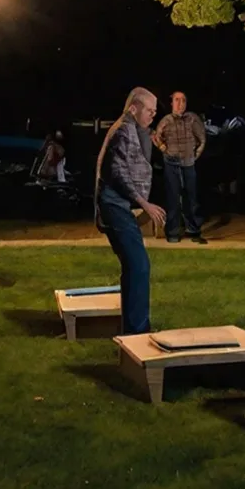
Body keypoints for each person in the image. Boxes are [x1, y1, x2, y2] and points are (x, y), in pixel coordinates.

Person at [94, 87, 166, 335]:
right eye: (149, 110)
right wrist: (144, 203)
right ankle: (137, 332)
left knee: (135, 265)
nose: (153, 115)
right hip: (113, 205)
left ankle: (134, 329)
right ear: (134, 108)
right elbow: (117, 173)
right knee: (139, 265)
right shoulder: (123, 130)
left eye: (155, 111)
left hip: (118, 205)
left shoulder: (131, 129)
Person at [153, 91, 207, 244]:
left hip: (189, 164)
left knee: (191, 197)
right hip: (171, 164)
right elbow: (156, 137)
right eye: (177, 100)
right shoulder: (166, 121)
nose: (180, 103)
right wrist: (163, 148)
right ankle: (173, 232)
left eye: (183, 100)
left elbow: (202, 139)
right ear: (172, 103)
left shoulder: (193, 119)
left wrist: (195, 155)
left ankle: (193, 229)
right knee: (173, 198)